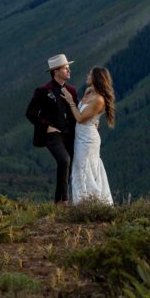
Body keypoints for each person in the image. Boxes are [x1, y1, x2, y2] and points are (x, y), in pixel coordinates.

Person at [25, 54, 79, 203]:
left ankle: (61, 201)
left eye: (69, 68)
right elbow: (30, 113)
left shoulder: (72, 90)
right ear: (56, 71)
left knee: (70, 163)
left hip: (70, 134)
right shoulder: (43, 90)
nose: (69, 70)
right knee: (64, 160)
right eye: (65, 68)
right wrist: (46, 127)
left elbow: (77, 111)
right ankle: (63, 202)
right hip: (52, 134)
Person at [61, 66, 115, 205]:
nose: (87, 75)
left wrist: (70, 101)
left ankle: (92, 203)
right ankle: (83, 203)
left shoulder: (99, 99)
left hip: (88, 139)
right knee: (79, 166)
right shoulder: (89, 91)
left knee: (84, 167)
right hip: (80, 135)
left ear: (96, 78)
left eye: (90, 74)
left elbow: (80, 118)